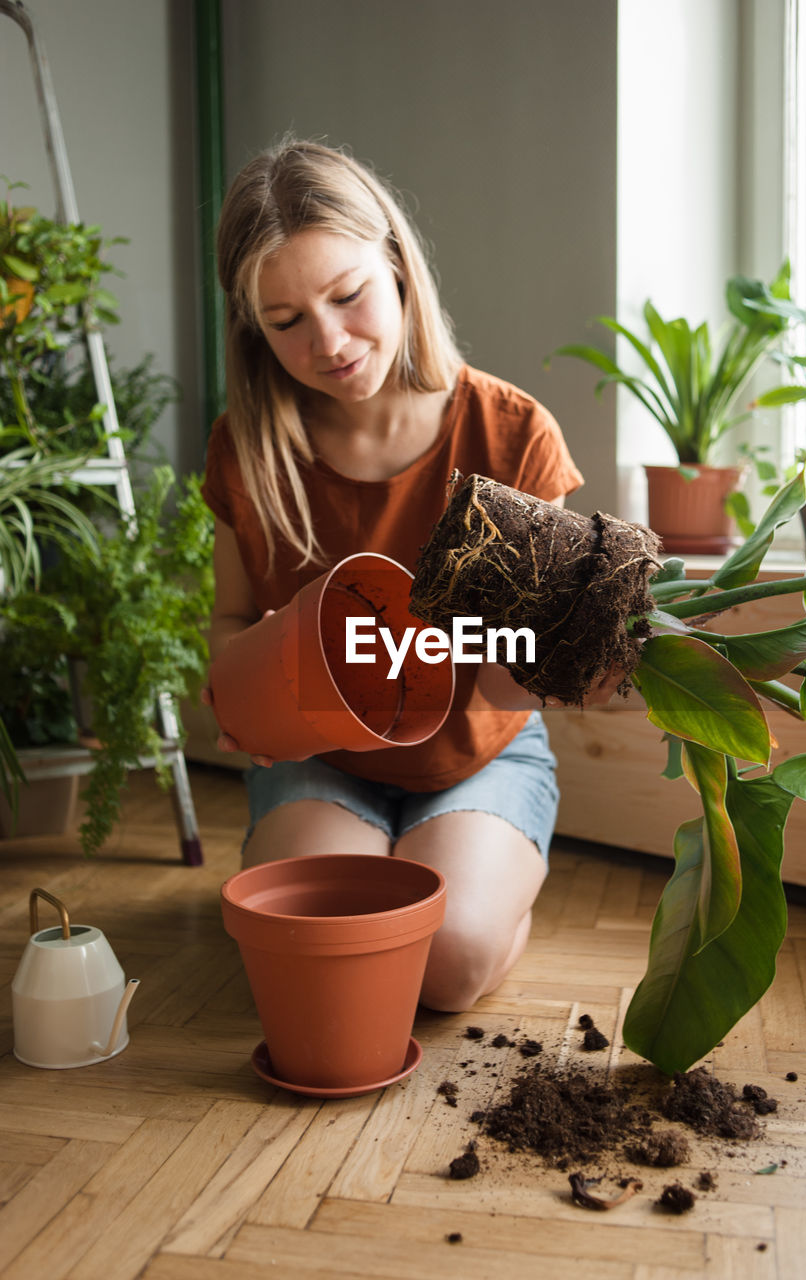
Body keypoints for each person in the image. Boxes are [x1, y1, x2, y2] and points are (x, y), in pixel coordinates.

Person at [201, 138, 619, 1013]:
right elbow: (232, 621)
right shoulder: (249, 448)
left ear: (395, 263)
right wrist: (245, 692)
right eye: (286, 322)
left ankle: (492, 899)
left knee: (444, 966)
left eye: (348, 295)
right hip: (322, 758)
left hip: (477, 757)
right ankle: (413, 866)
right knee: (335, 954)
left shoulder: (511, 435)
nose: (329, 341)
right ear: (253, 327)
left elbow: (518, 684)